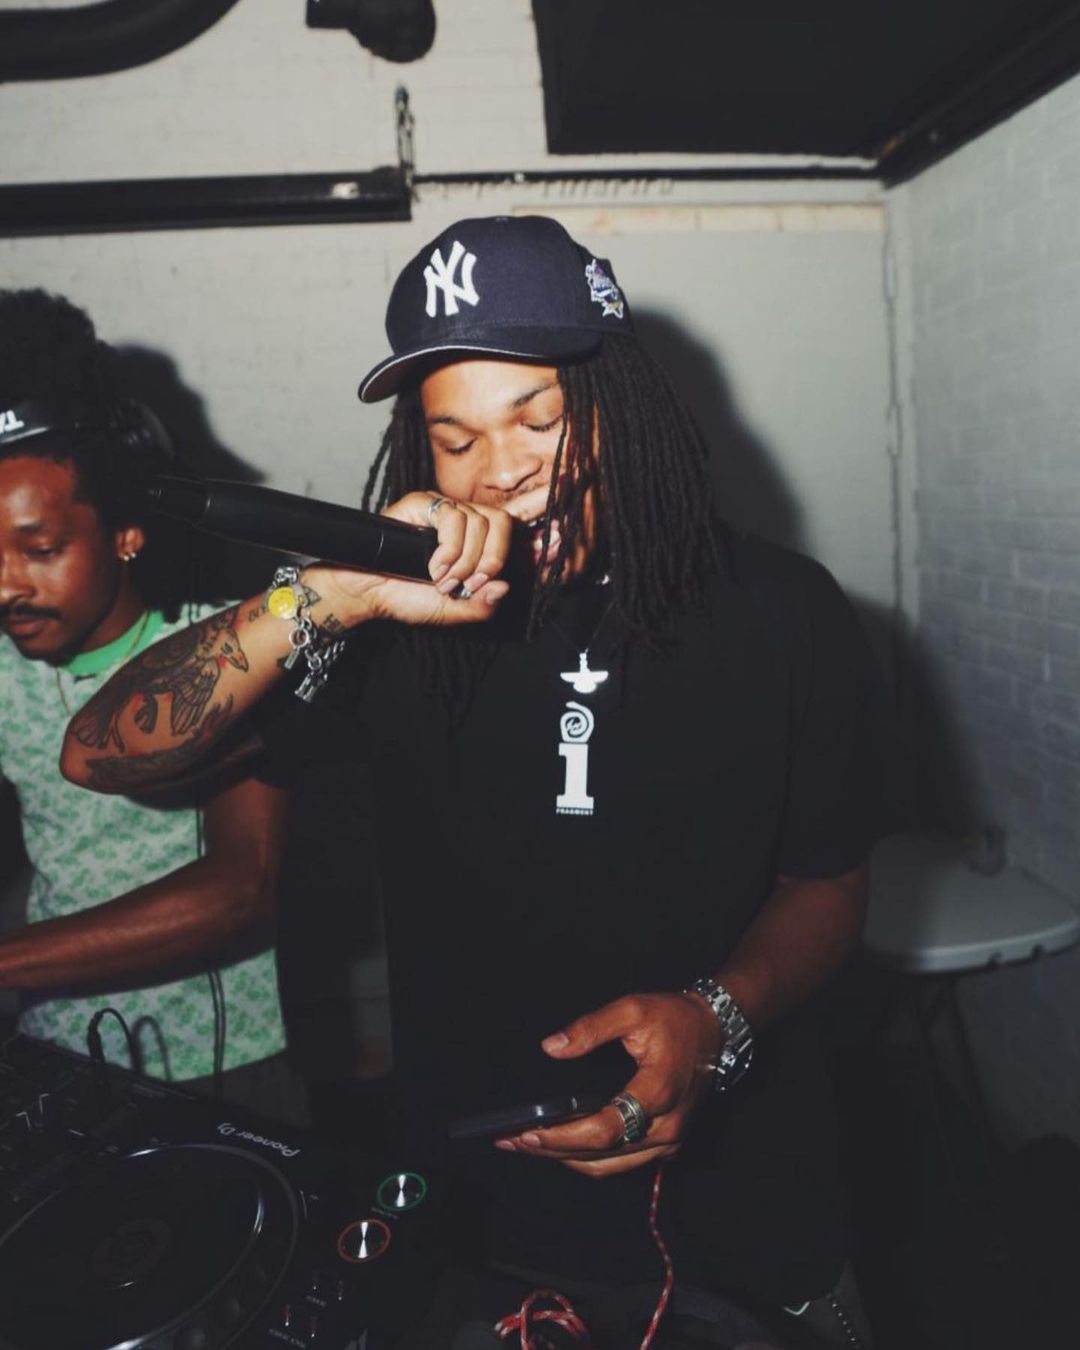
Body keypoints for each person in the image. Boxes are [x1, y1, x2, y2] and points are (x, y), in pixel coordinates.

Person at [60, 219, 885, 1345]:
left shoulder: (785, 610)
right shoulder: (388, 629)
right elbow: (100, 751)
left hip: (747, 1199)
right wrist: (333, 596)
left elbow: (828, 882)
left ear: (623, 401)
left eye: (540, 419)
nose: (502, 469)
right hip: (478, 1215)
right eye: (455, 440)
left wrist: (719, 1017)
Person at [0, 289, 300, 1121]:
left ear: (126, 531)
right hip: (54, 1049)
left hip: (225, 1064)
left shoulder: (228, 654)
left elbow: (242, 887)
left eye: (40, 548)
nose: (5, 584)